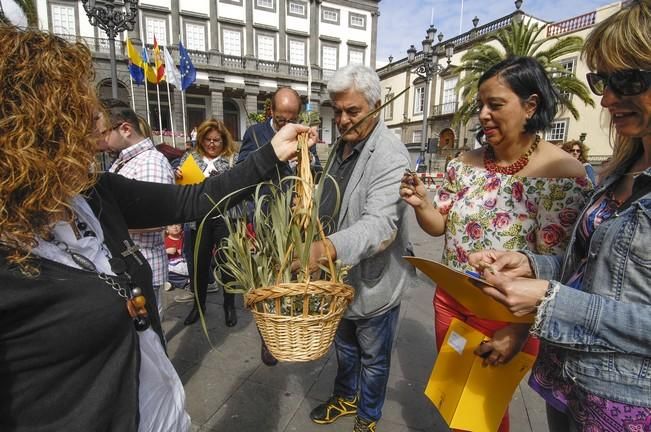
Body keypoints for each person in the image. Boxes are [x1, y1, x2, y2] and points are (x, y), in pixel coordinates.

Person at [0, 23, 315, 431]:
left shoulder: (93, 194)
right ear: (38, 130)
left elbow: (194, 199)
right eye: (84, 108)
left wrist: (270, 154)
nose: (101, 122)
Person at [468, 2, 651, 431]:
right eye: (601, 80)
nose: (606, 98)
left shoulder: (567, 170)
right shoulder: (620, 170)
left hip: (626, 406)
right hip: (568, 384)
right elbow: (596, 269)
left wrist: (551, 301)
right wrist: (533, 265)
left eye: (626, 79)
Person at [399, 56, 593, 432]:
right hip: (449, 302)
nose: (484, 114)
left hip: (508, 315)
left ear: (530, 106)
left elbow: (562, 265)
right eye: (481, 105)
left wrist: (520, 330)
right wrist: (423, 203)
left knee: (484, 413)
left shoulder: (563, 173)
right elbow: (439, 227)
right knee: (454, 399)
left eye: (496, 104)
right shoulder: (463, 164)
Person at [306, 64, 416, 432]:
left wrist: (323, 250)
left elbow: (380, 226)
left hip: (373, 280)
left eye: (352, 111)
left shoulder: (391, 154)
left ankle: (367, 418)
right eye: (337, 111)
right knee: (346, 347)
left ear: (377, 105)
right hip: (340, 278)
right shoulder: (342, 143)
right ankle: (345, 397)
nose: (342, 119)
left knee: (373, 357)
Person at [237, 86, 314, 366]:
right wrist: (275, 155)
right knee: (265, 281)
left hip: (296, 221)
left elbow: (312, 170)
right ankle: (269, 338)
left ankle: (290, 332)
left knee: (292, 276)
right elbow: (242, 170)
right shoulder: (255, 134)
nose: (287, 124)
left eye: (292, 118)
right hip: (265, 219)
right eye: (281, 119)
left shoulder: (304, 133)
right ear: (271, 111)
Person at [103, 100, 175, 319]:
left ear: (125, 129)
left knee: (149, 335)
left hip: (143, 266)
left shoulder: (150, 162)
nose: (101, 140)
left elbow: (158, 219)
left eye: (105, 132)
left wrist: (109, 223)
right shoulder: (124, 161)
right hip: (127, 269)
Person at [174, 118, 240, 327]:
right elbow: (178, 184)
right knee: (198, 265)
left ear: (224, 141)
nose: (212, 144)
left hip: (224, 218)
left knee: (227, 263)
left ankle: (229, 305)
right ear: (201, 140)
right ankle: (198, 306)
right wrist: (177, 175)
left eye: (216, 140)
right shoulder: (190, 157)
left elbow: (240, 188)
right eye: (208, 140)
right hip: (197, 220)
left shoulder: (232, 159)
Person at [165, 224, 189, 290]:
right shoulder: (165, 241)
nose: (175, 227)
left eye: (177, 224)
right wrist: (166, 251)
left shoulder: (185, 238)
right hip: (173, 267)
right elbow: (161, 253)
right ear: (166, 230)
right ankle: (185, 283)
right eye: (171, 225)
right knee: (168, 274)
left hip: (184, 265)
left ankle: (175, 284)